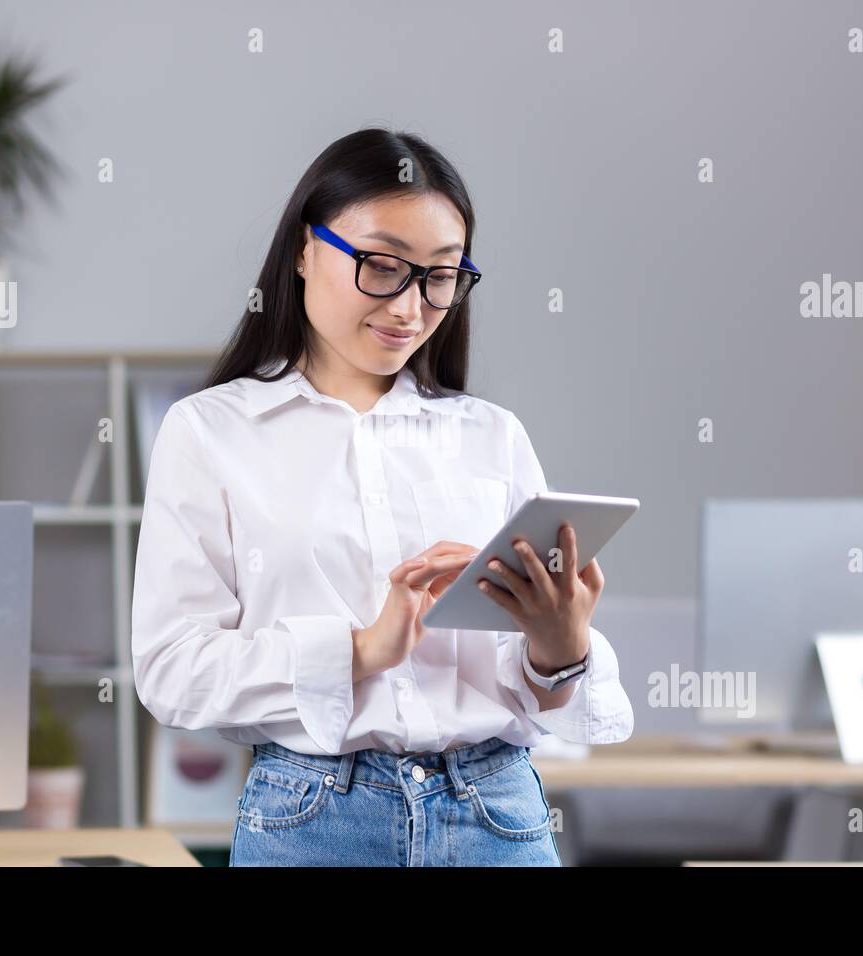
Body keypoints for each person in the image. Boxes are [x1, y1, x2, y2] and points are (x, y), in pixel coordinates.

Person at [131, 127, 633, 867]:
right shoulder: (210, 433)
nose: (411, 306)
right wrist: (359, 651)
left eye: (440, 276)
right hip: (312, 821)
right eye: (382, 265)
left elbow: (538, 690)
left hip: (497, 817)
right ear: (305, 250)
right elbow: (173, 671)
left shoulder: (491, 437)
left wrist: (559, 650)